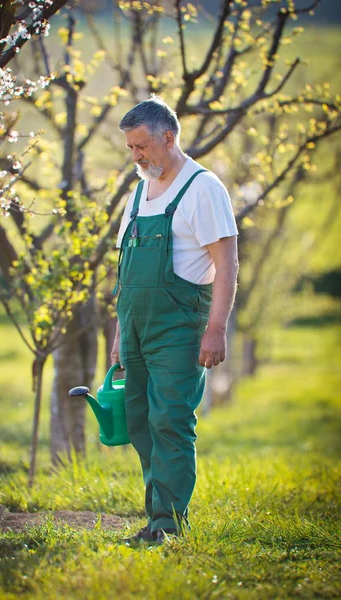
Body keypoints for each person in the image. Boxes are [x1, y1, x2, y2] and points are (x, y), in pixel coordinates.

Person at [111, 96, 239, 545]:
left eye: (142, 146)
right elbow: (125, 270)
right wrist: (118, 334)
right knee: (141, 421)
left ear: (168, 137)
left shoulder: (203, 188)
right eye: (130, 148)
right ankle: (156, 517)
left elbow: (227, 263)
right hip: (136, 327)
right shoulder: (138, 191)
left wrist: (217, 328)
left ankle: (168, 524)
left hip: (179, 329)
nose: (136, 156)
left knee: (171, 420)